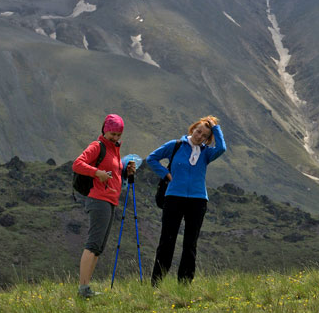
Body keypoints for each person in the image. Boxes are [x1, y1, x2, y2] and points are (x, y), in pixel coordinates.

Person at [146, 115, 226, 285]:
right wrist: (165, 175)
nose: (199, 137)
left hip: (198, 201)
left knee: (190, 244)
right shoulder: (175, 146)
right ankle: (156, 283)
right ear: (192, 129)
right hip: (174, 198)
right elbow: (152, 158)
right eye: (198, 132)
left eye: (205, 136)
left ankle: (184, 284)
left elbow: (222, 148)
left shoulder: (206, 153)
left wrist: (215, 128)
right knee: (167, 241)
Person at [72, 113, 135, 299]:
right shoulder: (97, 146)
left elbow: (113, 175)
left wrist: (125, 172)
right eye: (112, 134)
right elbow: (77, 164)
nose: (115, 138)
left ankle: (86, 288)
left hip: (110, 200)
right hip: (98, 199)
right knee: (92, 244)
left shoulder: (114, 150)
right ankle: (83, 289)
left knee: (98, 247)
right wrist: (96, 172)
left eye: (118, 135)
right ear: (104, 130)